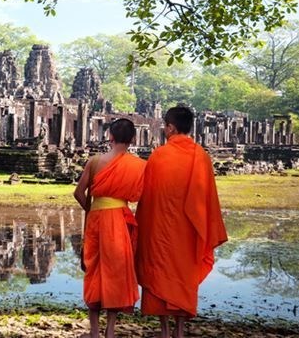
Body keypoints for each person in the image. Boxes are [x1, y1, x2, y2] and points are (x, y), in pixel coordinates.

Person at [136, 106, 228, 338]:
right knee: (183, 277)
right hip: (188, 232)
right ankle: (179, 330)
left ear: (171, 127)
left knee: (159, 275)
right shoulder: (201, 156)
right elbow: (208, 200)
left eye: (165, 126)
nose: (165, 130)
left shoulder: (159, 156)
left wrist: (142, 229)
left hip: (160, 230)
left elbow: (148, 199)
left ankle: (165, 330)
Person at [73, 118, 146, 338]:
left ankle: (94, 331)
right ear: (133, 139)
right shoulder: (139, 165)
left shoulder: (95, 161)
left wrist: (93, 208)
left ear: (110, 137)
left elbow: (78, 193)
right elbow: (142, 196)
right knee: (116, 272)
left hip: (97, 219)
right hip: (119, 220)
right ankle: (110, 330)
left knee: (94, 269)